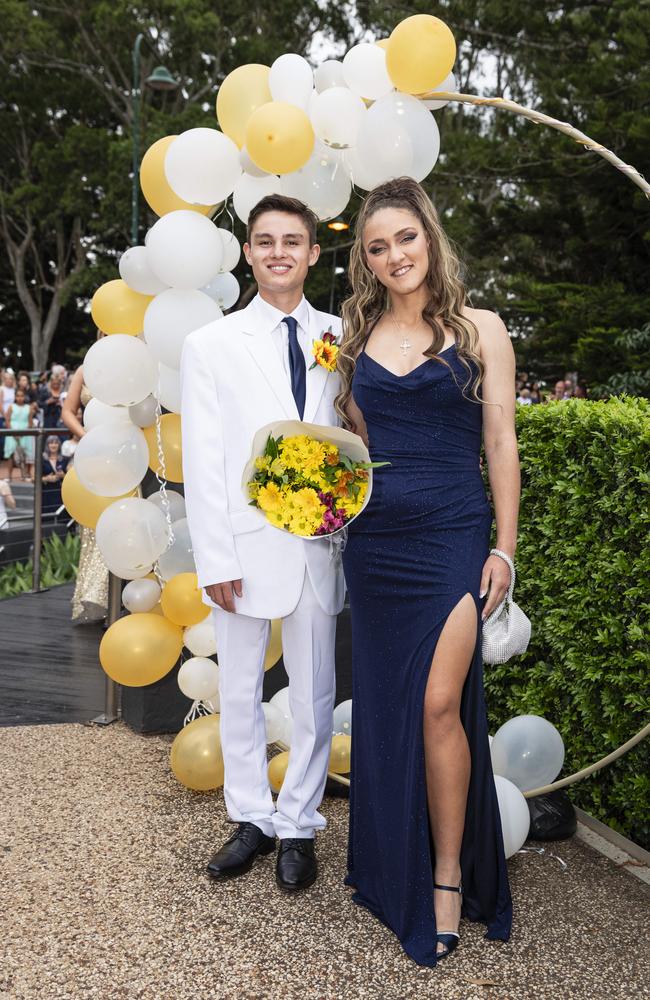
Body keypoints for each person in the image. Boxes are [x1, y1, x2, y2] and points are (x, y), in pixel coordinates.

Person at [337, 178, 517, 967]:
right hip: (376, 544)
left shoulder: (482, 329)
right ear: (366, 260)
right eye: (377, 248)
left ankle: (446, 874)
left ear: (429, 238)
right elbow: (356, 447)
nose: (393, 257)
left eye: (404, 239)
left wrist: (503, 547)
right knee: (386, 707)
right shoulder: (356, 338)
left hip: (451, 533)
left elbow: (501, 445)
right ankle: (389, 865)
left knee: (441, 704)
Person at [180, 194, 344, 892]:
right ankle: (250, 816)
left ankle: (299, 821)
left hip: (319, 544)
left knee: (313, 692)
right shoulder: (209, 344)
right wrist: (215, 556)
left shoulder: (344, 334)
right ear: (248, 252)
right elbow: (205, 458)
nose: (279, 251)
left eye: (293, 241)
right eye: (265, 240)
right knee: (241, 687)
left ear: (312, 252)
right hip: (244, 547)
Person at [61, 365, 109, 623]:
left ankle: (115, 595)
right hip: (92, 455)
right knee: (92, 527)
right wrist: (84, 436)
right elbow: (67, 411)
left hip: (123, 455)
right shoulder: (86, 369)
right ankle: (96, 593)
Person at [5, 387, 37, 481]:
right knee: (10, 454)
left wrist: (23, 433)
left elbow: (30, 422)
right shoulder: (11, 407)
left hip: (25, 433)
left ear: (25, 397)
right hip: (12, 433)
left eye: (22, 396)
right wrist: (13, 433)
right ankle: (9, 476)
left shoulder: (29, 408)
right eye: (18, 396)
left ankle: (26, 475)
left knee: (27, 454)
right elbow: (7, 420)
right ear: (15, 397)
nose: (20, 398)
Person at [41, 435, 68, 514]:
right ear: (47, 445)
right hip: (46, 494)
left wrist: (63, 476)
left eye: (56, 443)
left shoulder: (64, 459)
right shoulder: (41, 459)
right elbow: (33, 478)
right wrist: (46, 479)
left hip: (60, 493)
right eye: (51, 443)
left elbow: (69, 477)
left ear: (59, 445)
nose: (53, 445)